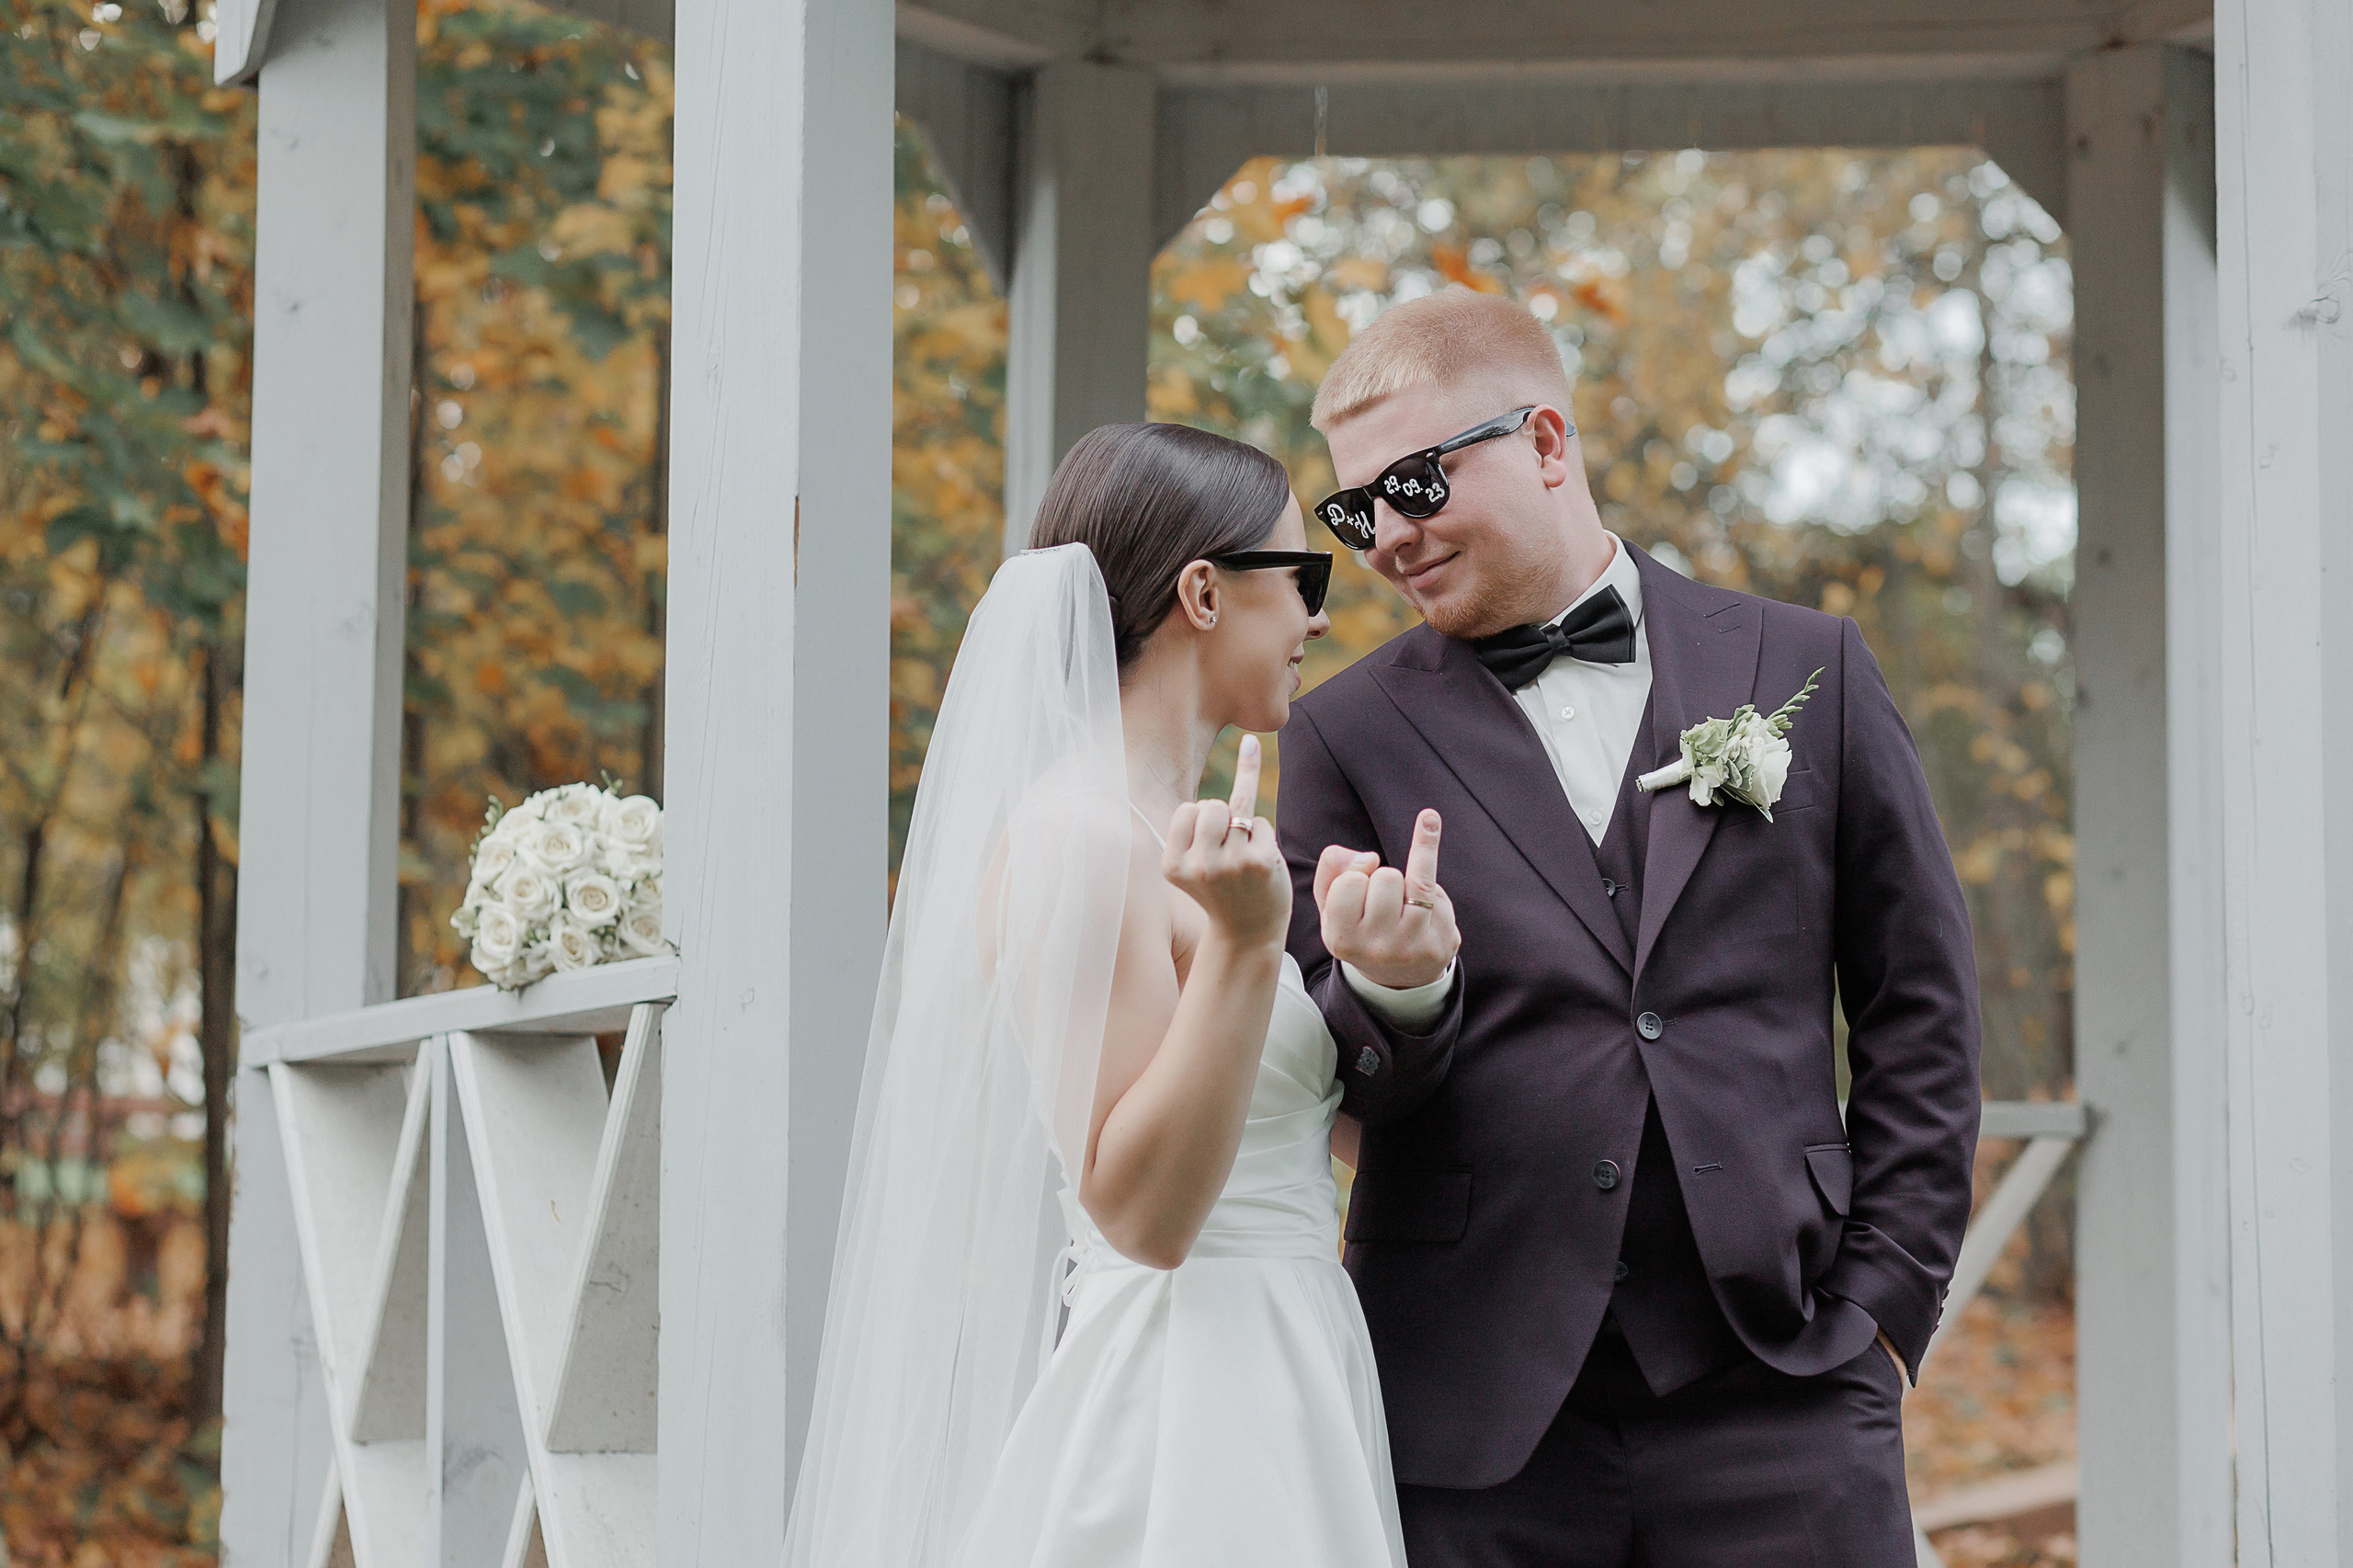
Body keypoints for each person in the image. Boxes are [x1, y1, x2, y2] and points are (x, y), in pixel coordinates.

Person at [1279, 287, 1982, 1566]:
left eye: (1416, 485)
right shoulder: (1341, 733)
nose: (1387, 537)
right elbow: (1320, 1085)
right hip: (1471, 1414)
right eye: (1354, 509)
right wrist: (1394, 992)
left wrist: (1883, 1304)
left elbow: (1921, 1005)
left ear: (1546, 442)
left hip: (1785, 1380)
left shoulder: (1804, 666)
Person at [784, 421, 1445, 1568]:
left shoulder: (1181, 838)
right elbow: (1141, 1213)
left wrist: (1390, 975)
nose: (1316, 618)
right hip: (1184, 1409)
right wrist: (1248, 946)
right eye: (1301, 576)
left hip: (1289, 1366)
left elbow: (1289, 1131)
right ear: (1204, 592)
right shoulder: (1079, 840)